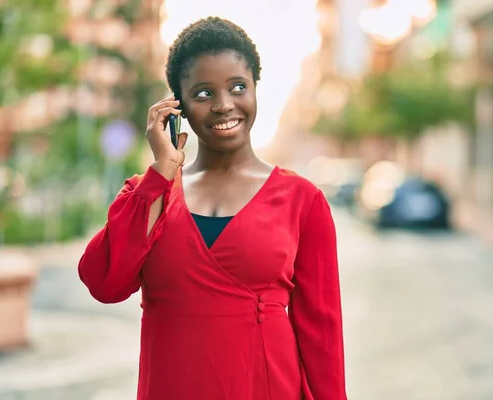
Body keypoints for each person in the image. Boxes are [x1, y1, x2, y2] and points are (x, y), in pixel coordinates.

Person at [78, 16, 347, 400]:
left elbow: (322, 334)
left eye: (238, 87)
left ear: (255, 89)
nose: (224, 105)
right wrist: (161, 172)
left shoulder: (302, 200)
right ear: (178, 106)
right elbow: (104, 283)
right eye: (203, 93)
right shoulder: (149, 194)